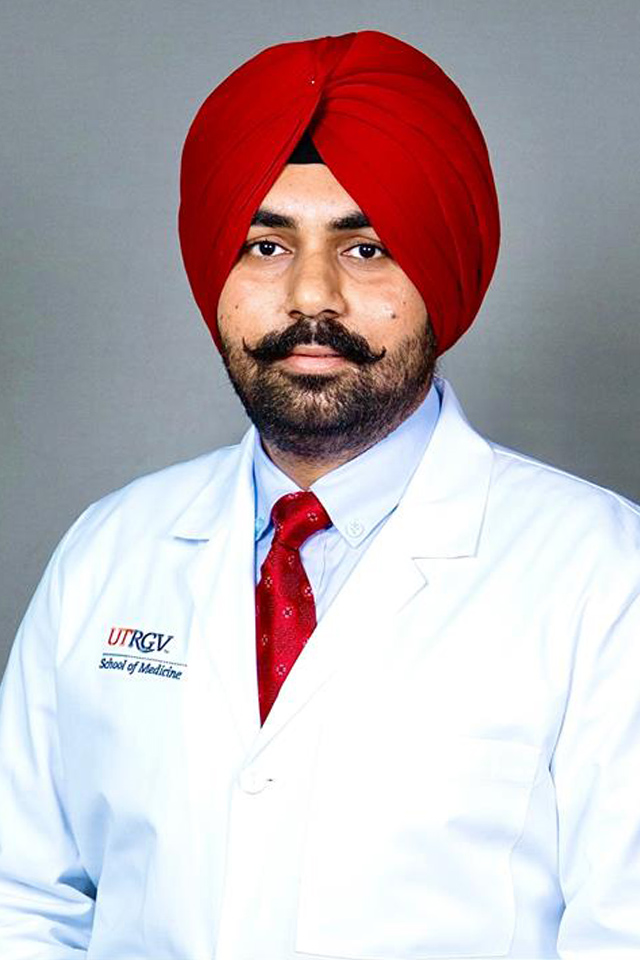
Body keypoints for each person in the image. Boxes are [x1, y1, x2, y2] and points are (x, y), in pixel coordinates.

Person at [0, 28, 638, 960]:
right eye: (265, 243)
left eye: (368, 246)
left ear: (444, 272)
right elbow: (24, 900)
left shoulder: (603, 575)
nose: (311, 295)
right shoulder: (110, 549)